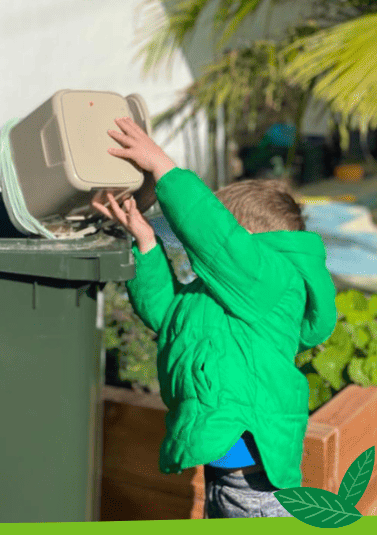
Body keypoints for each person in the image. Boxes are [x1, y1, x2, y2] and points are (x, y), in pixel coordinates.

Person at [92, 117, 337, 519]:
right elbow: (165, 315)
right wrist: (147, 243)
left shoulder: (274, 282)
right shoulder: (212, 300)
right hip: (224, 472)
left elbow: (216, 238)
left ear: (250, 241)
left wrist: (164, 168)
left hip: (256, 481)